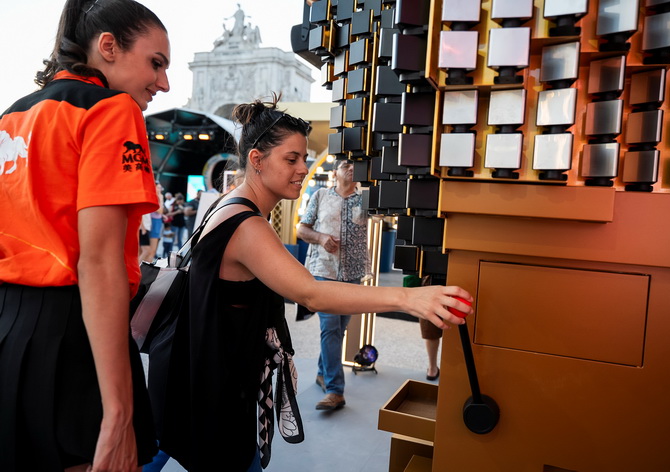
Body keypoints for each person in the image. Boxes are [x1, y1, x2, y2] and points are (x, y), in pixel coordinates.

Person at [150, 95, 472, 472]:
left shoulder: (231, 204)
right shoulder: (247, 224)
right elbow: (311, 293)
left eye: (303, 158)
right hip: (209, 387)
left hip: (195, 375)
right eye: (292, 159)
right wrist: (409, 298)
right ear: (257, 159)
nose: (303, 168)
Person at [0, 0, 170, 470]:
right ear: (108, 47)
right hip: (76, 339)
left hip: (8, 332)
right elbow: (98, 261)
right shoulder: (112, 109)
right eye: (156, 63)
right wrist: (118, 411)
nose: (163, 83)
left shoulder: (12, 116)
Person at [297, 158, 368, 411]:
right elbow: (302, 229)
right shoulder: (320, 196)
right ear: (335, 172)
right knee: (330, 328)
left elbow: (387, 213)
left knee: (339, 329)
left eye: (356, 165)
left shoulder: (366, 200)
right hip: (324, 272)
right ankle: (335, 390)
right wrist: (320, 237)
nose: (351, 168)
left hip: (353, 275)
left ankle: (321, 373)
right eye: (346, 165)